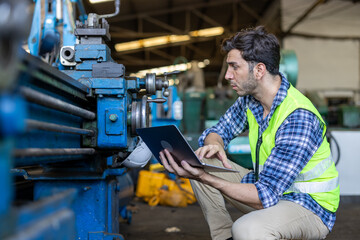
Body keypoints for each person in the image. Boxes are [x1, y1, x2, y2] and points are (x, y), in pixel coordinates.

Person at [159, 26, 339, 240]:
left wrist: (205, 177)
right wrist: (215, 144)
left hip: (308, 206)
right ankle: (223, 237)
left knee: (248, 229)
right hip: (270, 191)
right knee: (200, 159)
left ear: (259, 70)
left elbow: (264, 197)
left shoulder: (298, 117)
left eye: (234, 67)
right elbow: (217, 131)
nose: (227, 75)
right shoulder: (250, 101)